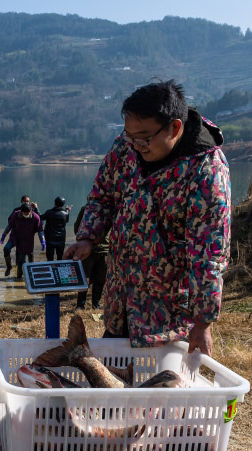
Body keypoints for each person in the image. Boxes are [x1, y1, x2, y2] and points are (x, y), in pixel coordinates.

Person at [64, 80, 230, 355]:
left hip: (167, 318)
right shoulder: (126, 146)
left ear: (174, 128)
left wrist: (203, 322)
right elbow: (102, 196)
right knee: (113, 389)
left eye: (143, 138)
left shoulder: (206, 172)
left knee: (159, 393)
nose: (134, 145)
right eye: (129, 136)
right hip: (120, 305)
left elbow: (209, 255)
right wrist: (88, 238)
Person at [73, 204, 107, 310]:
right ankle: (90, 305)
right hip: (97, 250)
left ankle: (84, 305)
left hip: (101, 250)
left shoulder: (87, 208)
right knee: (92, 279)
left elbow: (77, 228)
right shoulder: (87, 208)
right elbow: (77, 228)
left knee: (88, 278)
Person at [0, 195, 39, 276]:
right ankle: (9, 267)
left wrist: (36, 208)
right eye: (25, 201)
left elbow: (39, 221)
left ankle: (20, 275)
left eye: (28, 201)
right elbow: (9, 222)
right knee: (6, 249)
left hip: (26, 238)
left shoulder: (32, 211)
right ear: (21, 201)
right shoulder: (16, 211)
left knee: (22, 257)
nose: (26, 202)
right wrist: (4, 235)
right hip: (15, 236)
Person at [4, 203, 45, 280]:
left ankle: (30, 277)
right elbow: (10, 225)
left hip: (28, 240)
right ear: (21, 212)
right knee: (17, 257)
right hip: (16, 238)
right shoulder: (16, 215)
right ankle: (15, 273)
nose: (26, 215)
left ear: (31, 210)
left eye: (28, 213)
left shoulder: (35, 217)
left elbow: (40, 230)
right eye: (24, 213)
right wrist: (4, 235)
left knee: (29, 258)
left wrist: (43, 242)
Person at [39, 197, 71, 261]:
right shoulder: (65, 214)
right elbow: (66, 221)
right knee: (60, 257)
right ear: (63, 204)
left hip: (50, 238)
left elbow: (40, 218)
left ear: (54, 203)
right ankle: (59, 270)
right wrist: (67, 210)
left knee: (50, 258)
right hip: (61, 239)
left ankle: (51, 270)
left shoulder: (49, 213)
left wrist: (35, 208)